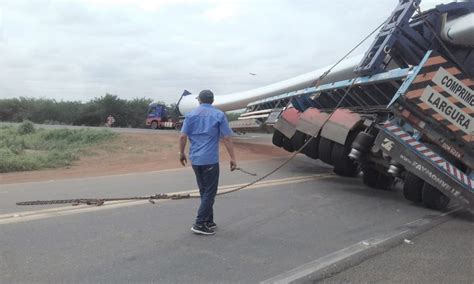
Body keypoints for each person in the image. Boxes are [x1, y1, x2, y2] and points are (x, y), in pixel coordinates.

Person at [179, 89, 237, 235]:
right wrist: (232, 157)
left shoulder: (190, 115)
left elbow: (182, 136)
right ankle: (199, 223)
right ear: (212, 101)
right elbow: (227, 138)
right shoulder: (219, 115)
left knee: (204, 191)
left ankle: (208, 221)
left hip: (196, 159)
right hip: (210, 159)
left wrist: (181, 153)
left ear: (199, 100)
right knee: (210, 192)